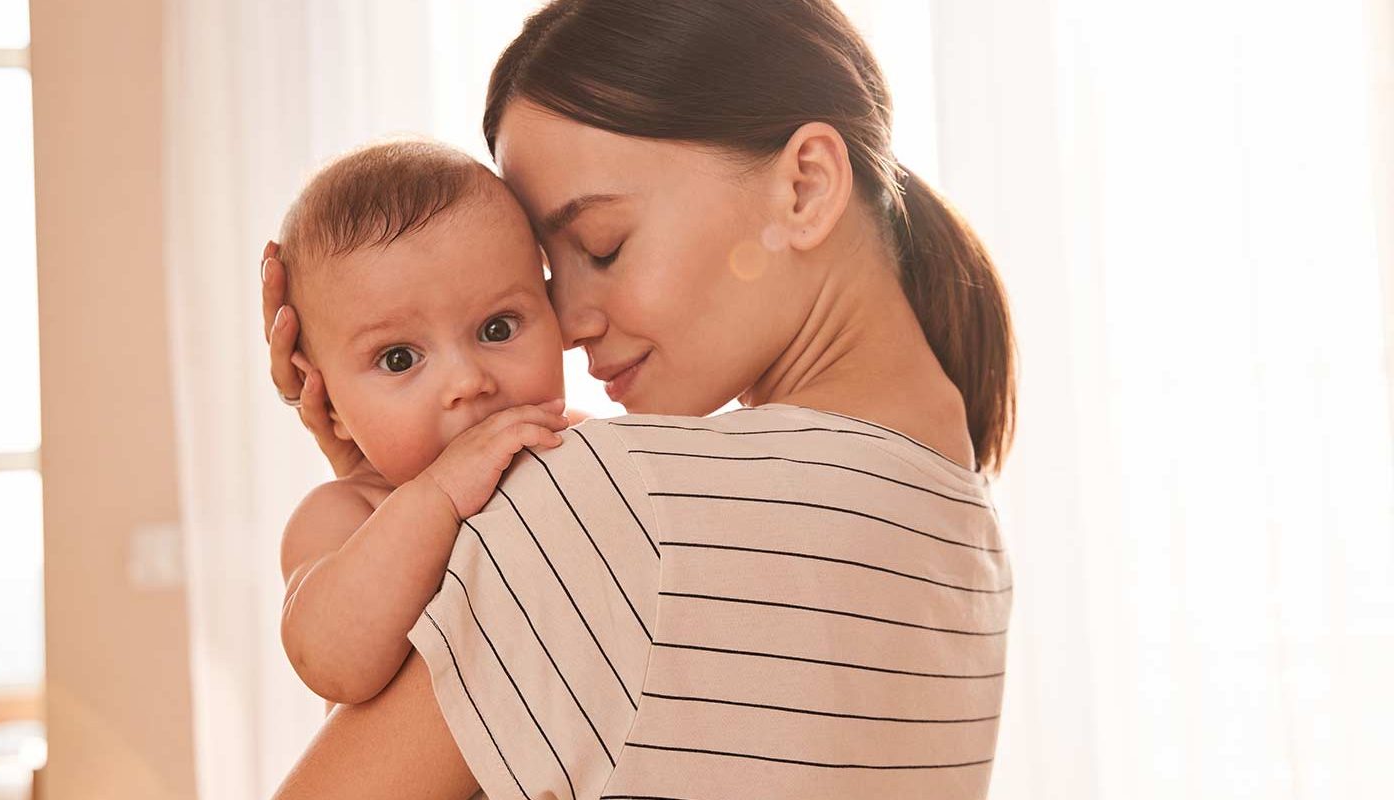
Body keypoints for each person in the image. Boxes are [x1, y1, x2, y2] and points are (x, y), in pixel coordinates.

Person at [263, 0, 1017, 796]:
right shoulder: (967, 532)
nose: (567, 324)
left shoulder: (609, 498)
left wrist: (398, 503)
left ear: (805, 186)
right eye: (550, 277)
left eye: (601, 247)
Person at [271, 139, 581, 707]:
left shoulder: (581, 447)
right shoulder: (349, 514)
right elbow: (334, 662)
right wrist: (437, 496)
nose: (468, 381)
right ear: (330, 403)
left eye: (498, 328)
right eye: (399, 358)